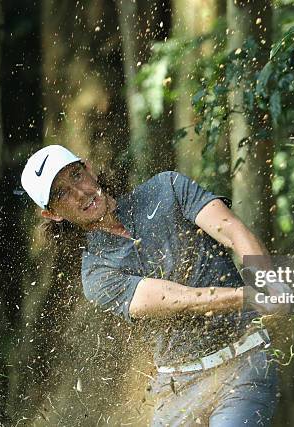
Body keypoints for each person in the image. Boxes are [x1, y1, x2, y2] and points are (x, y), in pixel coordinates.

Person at [21, 144, 280, 426]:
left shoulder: (166, 187)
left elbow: (231, 229)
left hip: (242, 362)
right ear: (53, 214)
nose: (79, 192)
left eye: (75, 175)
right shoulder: (95, 274)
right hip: (176, 388)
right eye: (61, 193)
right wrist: (248, 297)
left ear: (89, 168)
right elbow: (182, 301)